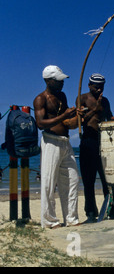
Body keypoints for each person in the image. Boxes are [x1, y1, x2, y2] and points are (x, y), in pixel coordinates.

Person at [33, 65, 81, 229]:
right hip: (50, 141)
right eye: (58, 81)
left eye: (62, 80)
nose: (62, 84)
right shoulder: (41, 99)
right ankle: (49, 221)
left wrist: (75, 115)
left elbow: (66, 121)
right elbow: (40, 124)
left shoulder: (62, 96)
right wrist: (64, 115)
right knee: (48, 182)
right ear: (48, 81)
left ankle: (71, 218)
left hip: (65, 142)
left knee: (73, 179)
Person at [76, 73, 114, 222]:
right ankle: (90, 212)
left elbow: (108, 117)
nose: (99, 90)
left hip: (103, 141)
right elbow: (80, 121)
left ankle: (110, 209)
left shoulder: (105, 101)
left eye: (102, 87)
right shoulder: (82, 98)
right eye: (96, 87)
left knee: (106, 178)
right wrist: (95, 109)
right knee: (88, 179)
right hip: (88, 140)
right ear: (89, 85)